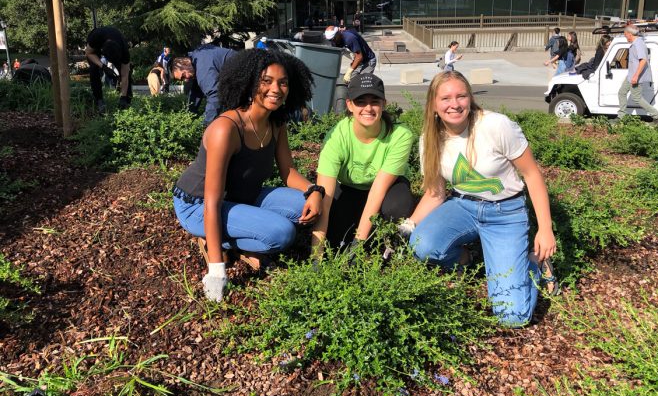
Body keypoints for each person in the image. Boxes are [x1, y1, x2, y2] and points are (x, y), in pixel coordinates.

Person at [403, 71, 558, 327]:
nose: (454, 104)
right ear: (433, 104)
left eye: (461, 96)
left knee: (512, 316)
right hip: (462, 206)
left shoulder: (495, 125)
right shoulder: (429, 140)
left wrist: (545, 230)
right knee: (421, 245)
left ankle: (533, 265)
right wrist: (409, 226)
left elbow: (532, 175)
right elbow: (435, 192)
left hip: (506, 213)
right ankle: (467, 258)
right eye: (445, 98)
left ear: (470, 98)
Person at [172, 48, 322, 302]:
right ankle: (216, 242)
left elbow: (289, 172)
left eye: (282, 82)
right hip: (197, 204)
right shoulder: (226, 128)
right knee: (281, 234)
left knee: (303, 204)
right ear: (250, 83)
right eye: (266, 81)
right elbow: (212, 201)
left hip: (243, 194)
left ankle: (244, 231)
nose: (276, 88)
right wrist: (217, 271)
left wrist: (315, 191)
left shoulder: (276, 123)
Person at [311, 74, 415, 253]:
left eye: (374, 101)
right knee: (335, 238)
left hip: (387, 189)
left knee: (397, 206)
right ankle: (364, 227)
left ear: (384, 104)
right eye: (360, 102)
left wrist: (358, 244)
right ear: (349, 105)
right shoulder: (336, 136)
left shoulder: (401, 135)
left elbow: (378, 190)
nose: (368, 108)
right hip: (350, 188)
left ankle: (390, 238)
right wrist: (316, 254)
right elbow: (324, 197)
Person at [615, 25, 658, 125]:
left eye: (625, 35)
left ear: (630, 34)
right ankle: (621, 116)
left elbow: (643, 60)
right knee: (622, 92)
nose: (625, 37)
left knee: (636, 97)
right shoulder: (635, 43)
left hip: (636, 76)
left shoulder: (639, 44)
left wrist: (636, 76)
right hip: (631, 75)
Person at [84, 26, 132, 113]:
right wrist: (103, 66)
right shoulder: (95, 37)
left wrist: (123, 97)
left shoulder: (124, 51)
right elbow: (88, 53)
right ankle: (99, 100)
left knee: (127, 74)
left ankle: (126, 100)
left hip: (116, 44)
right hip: (95, 46)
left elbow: (125, 75)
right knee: (94, 69)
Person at [187, 43, 236, 126]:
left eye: (183, 75)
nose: (186, 79)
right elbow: (196, 91)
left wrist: (205, 124)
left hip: (244, 80)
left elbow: (215, 95)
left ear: (185, 64)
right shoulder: (197, 57)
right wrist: (189, 114)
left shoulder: (202, 65)